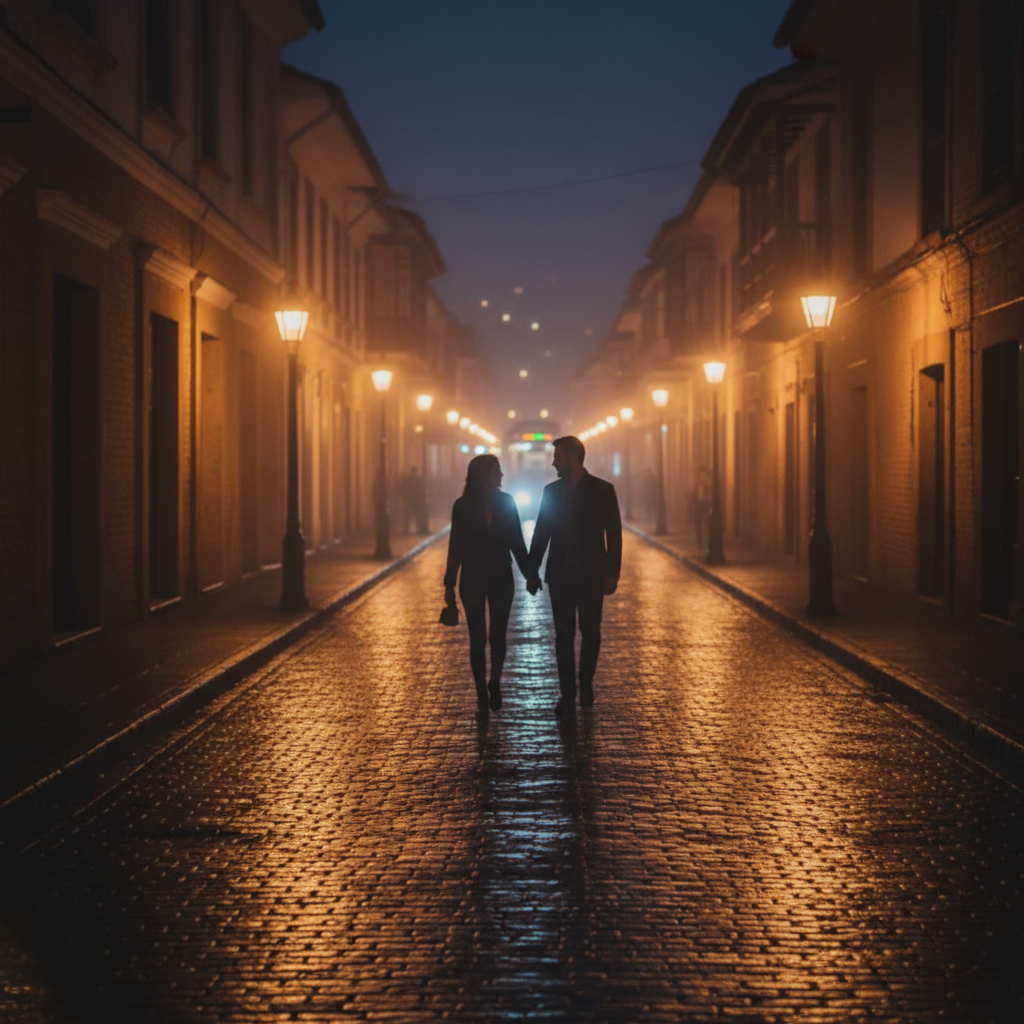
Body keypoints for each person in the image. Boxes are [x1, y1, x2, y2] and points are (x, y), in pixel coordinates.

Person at [528, 435, 622, 716]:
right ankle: (568, 694)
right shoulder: (551, 492)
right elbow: (542, 532)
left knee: (591, 632)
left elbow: (614, 535)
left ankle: (586, 685)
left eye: (557, 457)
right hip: (560, 575)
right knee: (563, 636)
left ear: (572, 458)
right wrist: (532, 571)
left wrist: (612, 573)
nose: (553, 463)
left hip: (592, 575)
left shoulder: (602, 490)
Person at [443, 454, 539, 716]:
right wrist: (449, 583)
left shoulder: (507, 502)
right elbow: (455, 546)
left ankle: (494, 680)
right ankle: (481, 695)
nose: (501, 475)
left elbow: (516, 541)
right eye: (497, 470)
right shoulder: (462, 506)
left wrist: (530, 574)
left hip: (500, 576)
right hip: (472, 576)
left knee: (498, 636)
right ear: (484, 475)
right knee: (477, 639)